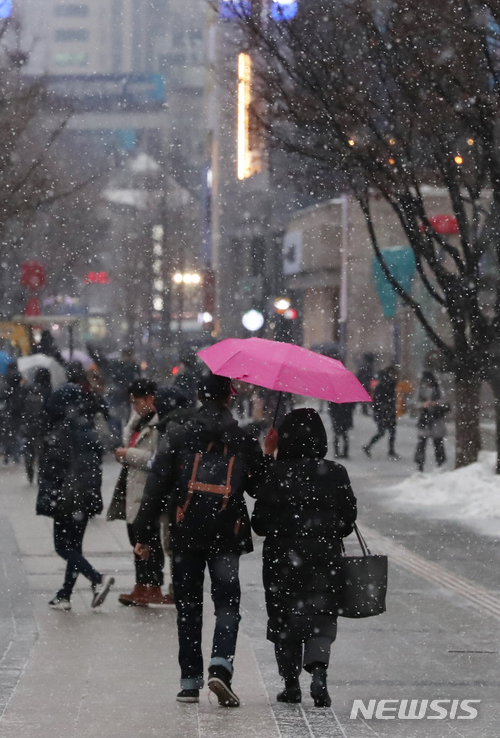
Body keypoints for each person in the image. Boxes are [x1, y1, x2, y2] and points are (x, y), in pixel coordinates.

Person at [133, 373, 263, 706]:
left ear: (198, 395)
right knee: (227, 605)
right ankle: (221, 666)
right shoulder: (242, 437)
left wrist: (144, 535)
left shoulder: (178, 435)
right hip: (227, 533)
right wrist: (267, 455)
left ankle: (189, 681)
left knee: (189, 607)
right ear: (229, 398)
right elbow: (259, 488)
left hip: (185, 532)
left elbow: (156, 489)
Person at [251, 409, 357, 707]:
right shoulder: (335, 472)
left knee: (285, 618)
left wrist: (268, 457)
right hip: (325, 557)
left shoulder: (275, 473)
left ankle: (291, 683)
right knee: (320, 616)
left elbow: (258, 523)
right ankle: (319, 673)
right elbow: (348, 520)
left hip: (281, 560)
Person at [36, 361, 114, 611]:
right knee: (75, 546)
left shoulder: (60, 432)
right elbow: (96, 462)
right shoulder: (87, 428)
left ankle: (97, 579)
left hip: (67, 496)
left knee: (62, 546)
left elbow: (53, 471)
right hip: (85, 494)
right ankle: (65, 594)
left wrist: (48, 496)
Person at [108, 379, 173, 606]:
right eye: (132, 403)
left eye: (137, 402)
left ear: (150, 399)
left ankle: (152, 586)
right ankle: (141, 585)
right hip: (133, 486)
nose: (134, 407)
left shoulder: (160, 424)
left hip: (149, 489)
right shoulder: (138, 421)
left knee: (149, 539)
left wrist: (128, 454)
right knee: (135, 536)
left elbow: (156, 458)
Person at [22, 367, 52, 484]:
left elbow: (22, 408)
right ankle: (41, 475)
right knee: (42, 453)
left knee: (29, 450)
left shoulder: (28, 389)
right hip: (43, 427)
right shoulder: (48, 391)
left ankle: (30, 473)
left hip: (29, 426)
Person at [414, 370, 448, 472]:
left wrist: (435, 403)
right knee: (422, 443)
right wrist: (423, 405)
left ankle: (440, 462)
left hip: (436, 418)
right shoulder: (420, 390)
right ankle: (420, 464)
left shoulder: (438, 389)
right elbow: (415, 402)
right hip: (424, 419)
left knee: (438, 442)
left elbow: (444, 401)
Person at [362, 366, 399, 459]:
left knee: (389, 431)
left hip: (386, 412)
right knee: (384, 432)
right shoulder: (385, 384)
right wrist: (384, 409)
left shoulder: (388, 384)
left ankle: (389, 450)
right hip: (383, 412)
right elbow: (377, 400)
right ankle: (369, 446)